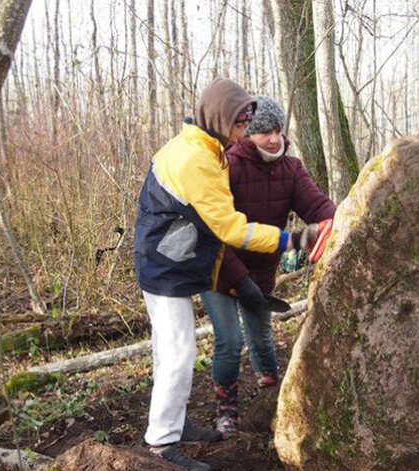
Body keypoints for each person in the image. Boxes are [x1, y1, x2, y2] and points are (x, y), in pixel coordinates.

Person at [133, 79, 295, 471]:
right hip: (164, 263)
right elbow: (231, 229)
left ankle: (171, 422)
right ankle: (161, 443)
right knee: (177, 353)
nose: (244, 135)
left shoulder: (203, 146)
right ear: (223, 119)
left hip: (172, 256)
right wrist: (291, 239)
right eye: (241, 126)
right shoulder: (196, 158)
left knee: (167, 352)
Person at [200, 96, 337, 435]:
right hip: (219, 270)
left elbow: (317, 206)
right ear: (247, 134)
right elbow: (213, 231)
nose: (274, 139)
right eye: (264, 132)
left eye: (278, 131)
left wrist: (343, 220)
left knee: (261, 336)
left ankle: (272, 395)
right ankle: (226, 409)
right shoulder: (226, 166)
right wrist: (239, 280)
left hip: (260, 272)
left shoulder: (290, 169)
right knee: (229, 341)